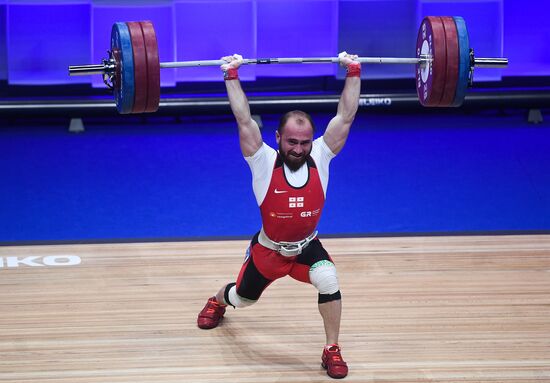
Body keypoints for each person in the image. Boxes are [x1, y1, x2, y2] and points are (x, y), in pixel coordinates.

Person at [197, 52, 361, 379]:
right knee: (242, 299)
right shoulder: (262, 161)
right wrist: (231, 75)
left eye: (303, 142)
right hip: (268, 252)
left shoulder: (321, 155)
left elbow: (345, 116)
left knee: (328, 278)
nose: (298, 149)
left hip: (306, 248)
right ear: (278, 139)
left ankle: (331, 349)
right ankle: (217, 300)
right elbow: (244, 119)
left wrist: (354, 71)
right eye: (291, 142)